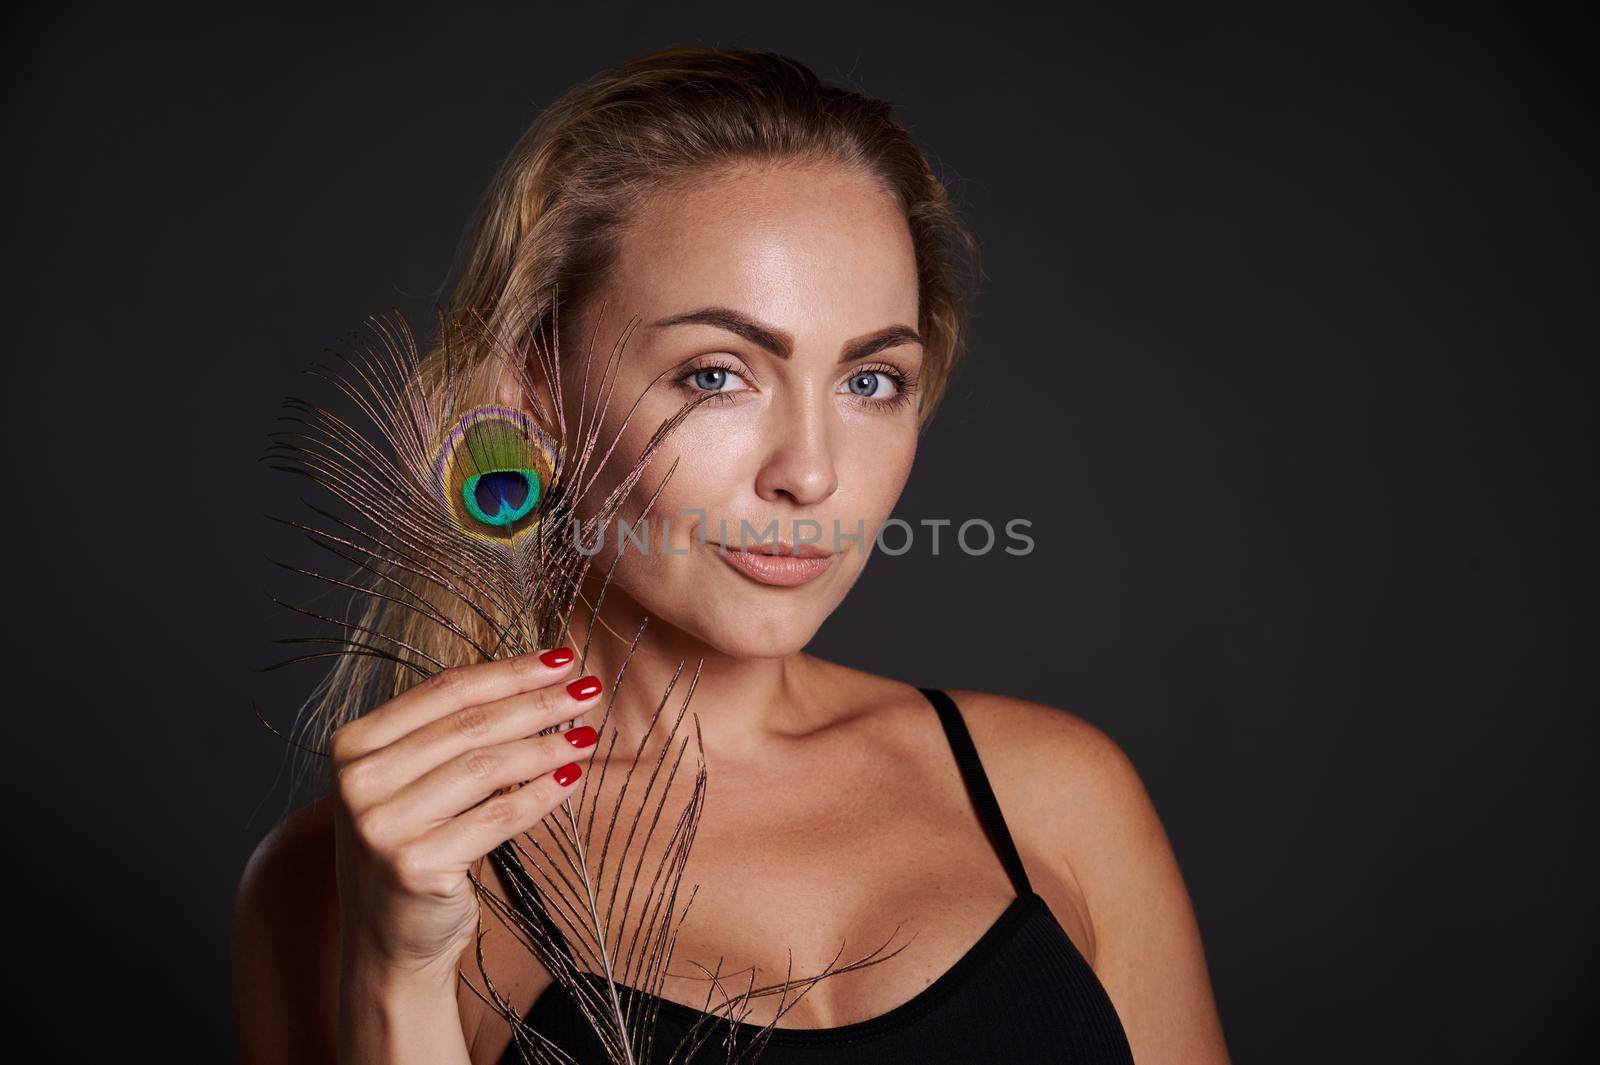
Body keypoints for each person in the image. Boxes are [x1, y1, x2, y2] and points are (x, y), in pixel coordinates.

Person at [232, 46, 1231, 1064]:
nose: (810, 474)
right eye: (716, 375)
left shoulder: (1057, 795)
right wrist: (395, 975)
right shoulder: (361, 871)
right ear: (535, 397)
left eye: (871, 381)